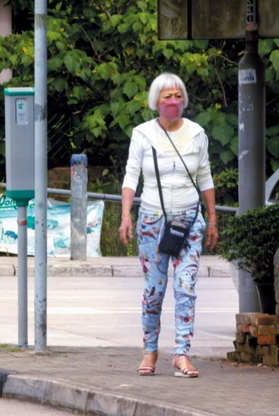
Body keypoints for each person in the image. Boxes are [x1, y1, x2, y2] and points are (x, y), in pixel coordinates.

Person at [119, 73, 218, 378]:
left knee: (185, 286)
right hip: (152, 221)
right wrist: (125, 215)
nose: (173, 101)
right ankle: (150, 350)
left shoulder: (197, 134)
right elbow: (131, 175)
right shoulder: (143, 135)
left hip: (189, 220)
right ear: (156, 101)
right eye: (166, 96)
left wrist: (212, 218)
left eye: (178, 95)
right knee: (154, 290)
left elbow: (205, 176)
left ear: (184, 99)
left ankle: (182, 354)